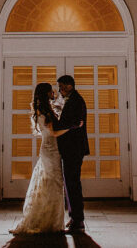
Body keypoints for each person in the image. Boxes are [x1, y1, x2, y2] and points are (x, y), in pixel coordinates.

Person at [10, 82, 82, 235]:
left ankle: (49, 218)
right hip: (51, 149)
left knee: (49, 183)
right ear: (46, 93)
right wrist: (72, 126)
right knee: (54, 183)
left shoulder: (44, 108)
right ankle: (51, 222)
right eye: (51, 90)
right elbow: (54, 132)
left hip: (50, 148)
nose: (53, 92)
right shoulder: (45, 111)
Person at [54, 74, 89, 233]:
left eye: (62, 86)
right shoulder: (69, 100)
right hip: (69, 148)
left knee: (73, 183)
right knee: (70, 183)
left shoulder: (77, 101)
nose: (60, 90)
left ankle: (78, 220)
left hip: (74, 148)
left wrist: (57, 127)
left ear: (69, 86)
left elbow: (76, 122)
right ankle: (74, 217)